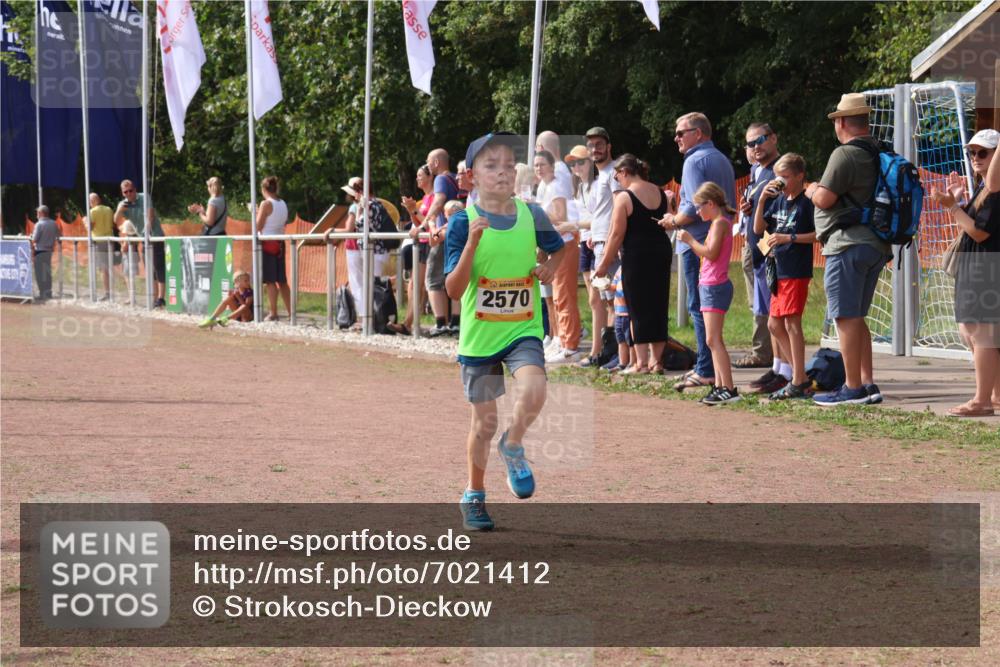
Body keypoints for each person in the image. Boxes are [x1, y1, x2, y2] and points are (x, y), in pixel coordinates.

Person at [443, 132, 564, 531]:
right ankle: (473, 495)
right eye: (490, 166)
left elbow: (561, 248)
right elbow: (454, 290)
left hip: (522, 328)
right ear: (471, 176)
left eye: (509, 166)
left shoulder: (532, 214)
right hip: (479, 338)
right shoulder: (462, 222)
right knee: (484, 423)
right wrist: (471, 244)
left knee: (534, 389)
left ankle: (513, 445)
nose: (502, 173)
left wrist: (549, 265)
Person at [807, 93, 890, 406]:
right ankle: (867, 383)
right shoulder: (879, 151)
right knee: (857, 317)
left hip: (847, 244)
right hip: (876, 243)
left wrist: (812, 189)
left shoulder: (845, 154)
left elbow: (825, 199)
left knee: (844, 317)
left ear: (841, 122)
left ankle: (852, 387)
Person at [659, 113, 736, 390]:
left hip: (700, 244)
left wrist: (673, 221)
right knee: (704, 311)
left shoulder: (693, 160)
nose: (677, 138)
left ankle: (705, 370)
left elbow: (691, 208)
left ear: (699, 133)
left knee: (699, 309)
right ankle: (711, 370)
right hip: (716, 242)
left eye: (681, 133)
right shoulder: (722, 159)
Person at [930, 129, 1000, 417]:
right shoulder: (985, 190)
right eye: (972, 152)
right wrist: (958, 204)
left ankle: (982, 400)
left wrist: (952, 208)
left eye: (983, 152)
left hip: (986, 265)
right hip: (979, 265)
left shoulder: (995, 191)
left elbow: (980, 233)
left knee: (979, 334)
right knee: (971, 334)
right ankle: (994, 395)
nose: (975, 157)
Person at [594, 154, 672, 374]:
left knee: (637, 309)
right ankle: (657, 361)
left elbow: (616, 234)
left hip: (637, 255)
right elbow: (668, 220)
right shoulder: (659, 191)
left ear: (624, 172)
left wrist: (603, 264)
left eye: (617, 176)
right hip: (661, 251)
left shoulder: (624, 198)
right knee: (658, 306)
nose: (618, 181)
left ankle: (641, 363)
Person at [753, 153, 817, 399]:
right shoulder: (778, 200)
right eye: (778, 176)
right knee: (774, 324)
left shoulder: (806, 201)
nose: (781, 181)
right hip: (777, 269)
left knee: (791, 323)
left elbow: (818, 235)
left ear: (800, 176)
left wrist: (789, 238)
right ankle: (799, 376)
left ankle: (799, 378)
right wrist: (761, 202)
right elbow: (759, 229)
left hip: (795, 269)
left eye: (786, 177)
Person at [677, 183, 739, 404]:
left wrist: (689, 240)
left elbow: (711, 253)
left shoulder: (720, 223)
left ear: (710, 203)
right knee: (713, 340)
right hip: (709, 284)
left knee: (713, 339)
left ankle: (729, 389)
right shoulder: (717, 223)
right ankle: (721, 385)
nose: (697, 212)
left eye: (699, 206)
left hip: (715, 285)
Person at [735, 122, 779, 372]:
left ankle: (764, 352)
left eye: (760, 140)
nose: (755, 147)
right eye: (750, 143)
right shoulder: (757, 171)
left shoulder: (779, 170)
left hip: (768, 244)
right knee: (758, 301)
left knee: (767, 299)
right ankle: (764, 350)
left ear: (773, 138)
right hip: (754, 243)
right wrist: (748, 208)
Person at [534, 149, 582, 364]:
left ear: (552, 167)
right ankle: (562, 341)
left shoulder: (556, 186)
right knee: (557, 296)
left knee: (564, 295)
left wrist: (536, 211)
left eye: (542, 164)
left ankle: (571, 346)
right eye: (536, 165)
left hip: (564, 244)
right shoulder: (544, 186)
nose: (538, 168)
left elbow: (560, 217)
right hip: (553, 245)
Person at [583, 127, 622, 341]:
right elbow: (603, 211)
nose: (595, 149)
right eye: (591, 145)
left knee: (614, 301)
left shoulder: (614, 172)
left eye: (599, 144)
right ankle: (609, 351)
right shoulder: (600, 177)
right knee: (606, 300)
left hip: (609, 245)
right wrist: (594, 233)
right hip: (598, 242)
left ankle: (616, 352)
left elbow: (619, 208)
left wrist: (610, 240)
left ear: (609, 147)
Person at [565, 145, 602, 366]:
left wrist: (572, 224)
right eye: (573, 163)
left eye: (580, 162)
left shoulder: (597, 186)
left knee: (600, 299)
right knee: (594, 299)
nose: (576, 167)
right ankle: (600, 348)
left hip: (595, 241)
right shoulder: (580, 188)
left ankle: (601, 349)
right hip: (585, 242)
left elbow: (600, 217)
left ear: (590, 163)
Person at [394, 165, 435, 335]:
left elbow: (428, 222)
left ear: (429, 177)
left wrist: (414, 210)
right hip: (421, 243)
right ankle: (408, 322)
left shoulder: (434, 198)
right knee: (413, 284)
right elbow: (418, 223)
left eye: (420, 175)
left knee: (419, 285)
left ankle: (410, 323)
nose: (417, 179)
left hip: (429, 243)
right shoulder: (425, 198)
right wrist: (411, 210)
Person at [425, 148, 462, 337]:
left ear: (437, 163)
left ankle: (440, 323)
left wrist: (426, 222)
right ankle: (456, 322)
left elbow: (439, 201)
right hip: (457, 233)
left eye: (429, 161)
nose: (427, 165)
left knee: (433, 279)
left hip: (442, 234)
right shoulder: (456, 178)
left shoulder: (440, 179)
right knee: (453, 275)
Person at [115, 179, 166, 308]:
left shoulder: (144, 197)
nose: (128, 193)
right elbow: (115, 220)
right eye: (125, 192)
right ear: (123, 193)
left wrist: (147, 232)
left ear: (135, 190)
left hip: (155, 236)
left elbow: (150, 216)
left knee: (158, 266)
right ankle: (154, 298)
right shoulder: (123, 204)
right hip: (143, 238)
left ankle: (161, 298)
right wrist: (120, 210)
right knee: (149, 268)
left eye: (130, 190)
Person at [256, 175, 291, 322]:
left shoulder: (265, 204)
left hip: (268, 242)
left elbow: (258, 226)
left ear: (264, 189)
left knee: (270, 280)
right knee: (282, 280)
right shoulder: (282, 203)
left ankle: (273, 312)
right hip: (280, 242)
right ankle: (291, 312)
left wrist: (255, 212)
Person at [87, 193, 115, 300]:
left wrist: (86, 222)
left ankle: (107, 293)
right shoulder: (109, 209)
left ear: (92, 201)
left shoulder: (92, 212)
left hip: (99, 241)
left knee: (104, 269)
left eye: (90, 201)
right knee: (110, 266)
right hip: (110, 240)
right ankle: (111, 290)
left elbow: (90, 228)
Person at [31, 206, 59, 301]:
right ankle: (48, 292)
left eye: (38, 213)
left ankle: (42, 293)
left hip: (39, 250)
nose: (37, 215)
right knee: (47, 272)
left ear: (41, 213)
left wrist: (31, 238)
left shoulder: (39, 224)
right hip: (49, 251)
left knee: (39, 273)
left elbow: (34, 239)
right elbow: (58, 235)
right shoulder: (54, 223)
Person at [608, 262, 633, 372]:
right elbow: (614, 285)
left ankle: (632, 362)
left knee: (630, 340)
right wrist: (607, 286)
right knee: (621, 340)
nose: (619, 254)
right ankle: (622, 363)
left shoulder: (632, 267)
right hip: (618, 312)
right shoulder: (619, 269)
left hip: (628, 313)